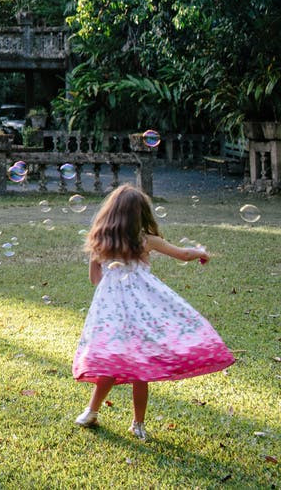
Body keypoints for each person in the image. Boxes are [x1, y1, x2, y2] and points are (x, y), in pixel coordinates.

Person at [72, 184, 234, 440]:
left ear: (110, 213)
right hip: (143, 310)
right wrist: (201, 252)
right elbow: (182, 254)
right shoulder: (145, 240)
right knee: (141, 367)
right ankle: (137, 424)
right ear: (141, 214)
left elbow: (95, 279)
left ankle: (91, 411)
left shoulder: (99, 241)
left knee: (111, 362)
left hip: (111, 314)